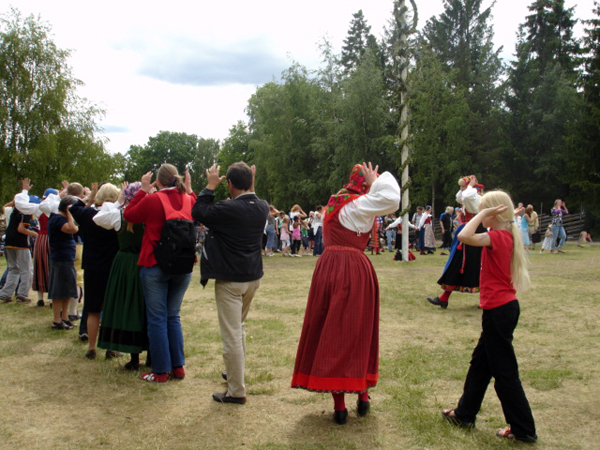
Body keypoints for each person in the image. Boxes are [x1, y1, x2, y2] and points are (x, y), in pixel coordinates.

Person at [291, 162, 400, 425]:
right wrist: (375, 182)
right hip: (353, 268)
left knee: (331, 329)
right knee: (356, 330)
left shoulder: (334, 203)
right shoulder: (360, 204)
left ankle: (339, 406)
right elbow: (392, 198)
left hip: (328, 266)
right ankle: (362, 396)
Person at [441, 190, 537, 444]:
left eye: (484, 211)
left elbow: (463, 235)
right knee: (480, 364)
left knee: (504, 372)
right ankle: (464, 414)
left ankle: (523, 428)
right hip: (499, 310)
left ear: (494, 214)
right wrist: (500, 214)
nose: (480, 215)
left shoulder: (498, 237)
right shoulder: (505, 234)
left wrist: (482, 213)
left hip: (499, 311)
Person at [191, 162, 269, 405]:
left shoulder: (228, 208)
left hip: (231, 280)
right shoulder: (263, 207)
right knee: (239, 328)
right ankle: (233, 375)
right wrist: (250, 181)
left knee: (232, 334)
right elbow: (249, 198)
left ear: (230, 184)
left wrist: (210, 185)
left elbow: (198, 211)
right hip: (252, 278)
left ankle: (236, 390)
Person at [124, 164, 196, 382]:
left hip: (155, 263)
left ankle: (160, 371)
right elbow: (197, 207)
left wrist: (143, 190)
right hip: (183, 266)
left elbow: (130, 214)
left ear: (158, 180)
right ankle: (178, 367)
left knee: (157, 319)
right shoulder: (188, 199)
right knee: (173, 316)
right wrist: (190, 189)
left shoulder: (153, 199)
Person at [94, 181, 149, 370]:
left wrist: (119, 202)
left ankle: (134, 358)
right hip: (145, 262)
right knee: (147, 308)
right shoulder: (149, 214)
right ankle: (150, 355)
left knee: (129, 307)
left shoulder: (119, 215)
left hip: (125, 264)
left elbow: (98, 217)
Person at [427, 175, 484, 309]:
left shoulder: (478, 199)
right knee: (460, 264)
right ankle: (444, 298)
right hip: (469, 230)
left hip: (474, 231)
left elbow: (467, 196)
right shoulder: (469, 197)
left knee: (476, 264)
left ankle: (484, 300)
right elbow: (460, 197)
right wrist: (463, 186)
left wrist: (470, 186)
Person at [0, 187, 38, 303]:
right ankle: (22, 295)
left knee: (13, 269)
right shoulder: (25, 212)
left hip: (9, 242)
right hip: (20, 243)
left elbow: (5, 207)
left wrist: (16, 199)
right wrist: (36, 235)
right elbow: (21, 229)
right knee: (27, 270)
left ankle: (5, 293)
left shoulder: (13, 211)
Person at [47, 196, 79, 329]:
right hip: (60, 259)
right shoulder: (57, 219)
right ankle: (57, 320)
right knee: (59, 291)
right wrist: (71, 214)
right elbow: (72, 229)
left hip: (66, 258)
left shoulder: (60, 218)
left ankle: (65, 317)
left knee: (67, 290)